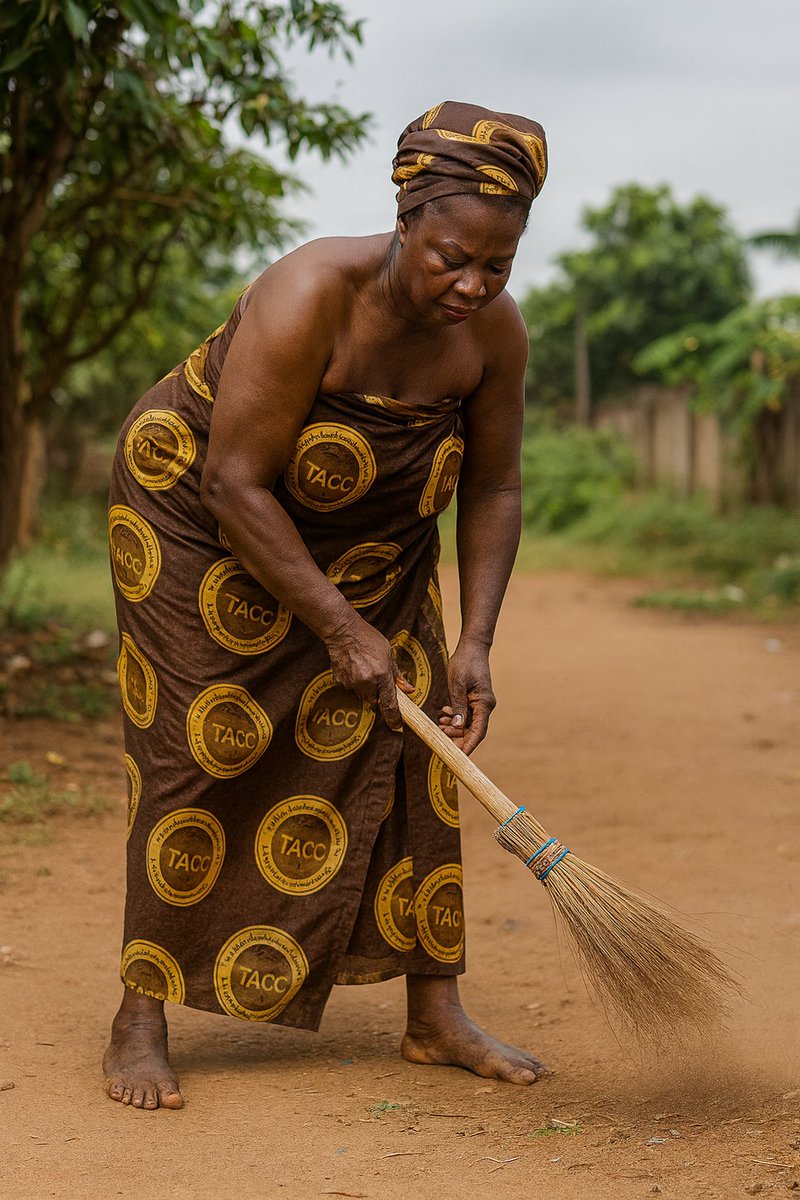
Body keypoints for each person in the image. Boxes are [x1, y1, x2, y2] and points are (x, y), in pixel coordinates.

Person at [103, 100, 549, 1110]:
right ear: (404, 219)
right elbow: (234, 484)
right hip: (199, 508)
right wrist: (341, 631)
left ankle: (434, 1013)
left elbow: (493, 486)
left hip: (372, 534)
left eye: (497, 267)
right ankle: (139, 1010)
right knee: (202, 738)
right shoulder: (309, 294)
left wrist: (474, 640)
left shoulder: (493, 333)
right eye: (450, 258)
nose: (471, 286)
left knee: (415, 735)